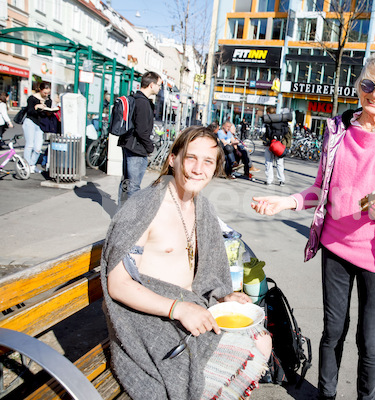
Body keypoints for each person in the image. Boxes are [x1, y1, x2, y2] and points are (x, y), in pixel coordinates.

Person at [251, 52, 375, 400]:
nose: (374, 94)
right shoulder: (338, 130)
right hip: (335, 247)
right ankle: (327, 395)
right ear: (358, 87)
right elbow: (321, 188)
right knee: (333, 331)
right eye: (367, 85)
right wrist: (287, 201)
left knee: (369, 340)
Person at [102, 125, 271, 399]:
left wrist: (223, 297)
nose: (197, 169)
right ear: (173, 158)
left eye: (207, 161)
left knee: (261, 338)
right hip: (152, 323)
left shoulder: (200, 206)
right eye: (190, 158)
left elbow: (202, 274)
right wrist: (178, 309)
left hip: (188, 309)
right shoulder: (144, 207)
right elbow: (118, 284)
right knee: (254, 347)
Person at [118, 71, 162, 205]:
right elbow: (142, 130)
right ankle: (130, 218)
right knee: (134, 186)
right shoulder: (143, 103)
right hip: (137, 148)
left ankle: (121, 214)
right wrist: (150, 147)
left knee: (126, 182)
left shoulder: (136, 99)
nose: (160, 88)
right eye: (159, 85)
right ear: (152, 85)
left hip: (129, 144)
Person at [23, 82, 52, 173]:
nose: (46, 95)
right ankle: (27, 165)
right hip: (30, 122)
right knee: (30, 145)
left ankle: (32, 164)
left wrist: (49, 111)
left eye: (48, 93)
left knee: (38, 148)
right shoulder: (32, 98)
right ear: (40, 90)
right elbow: (29, 111)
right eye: (45, 93)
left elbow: (47, 114)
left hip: (41, 124)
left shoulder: (48, 100)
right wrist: (36, 107)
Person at [263, 106, 292, 186]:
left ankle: (269, 180)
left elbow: (268, 134)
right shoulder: (281, 121)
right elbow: (287, 133)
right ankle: (281, 180)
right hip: (279, 144)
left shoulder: (268, 121)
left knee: (269, 162)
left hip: (270, 144)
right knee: (279, 163)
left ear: (268, 113)